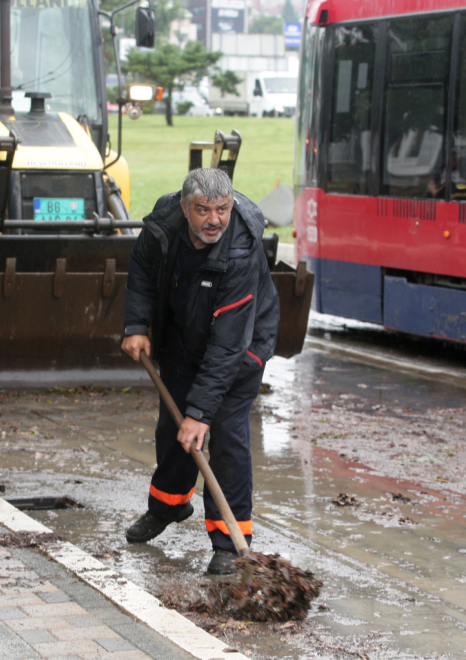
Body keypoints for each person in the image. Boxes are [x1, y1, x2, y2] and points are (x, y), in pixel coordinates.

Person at [120, 168, 280, 575]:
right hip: (183, 339)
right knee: (174, 431)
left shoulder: (240, 253)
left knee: (224, 435)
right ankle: (168, 507)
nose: (214, 220)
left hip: (241, 348)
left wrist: (201, 414)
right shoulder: (164, 223)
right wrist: (136, 325)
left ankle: (229, 541)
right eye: (203, 210)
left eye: (222, 209)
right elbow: (141, 267)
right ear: (184, 207)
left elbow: (228, 346)